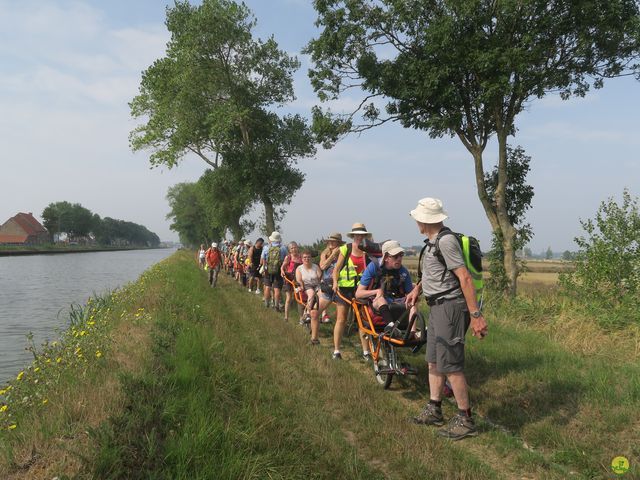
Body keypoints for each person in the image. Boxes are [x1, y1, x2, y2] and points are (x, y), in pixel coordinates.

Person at [405, 197, 488, 440]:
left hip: (450, 308)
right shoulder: (433, 242)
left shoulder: (446, 241)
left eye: (418, 218)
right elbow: (435, 273)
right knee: (433, 361)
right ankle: (435, 408)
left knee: (451, 364)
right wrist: (417, 289)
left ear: (424, 220)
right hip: (437, 307)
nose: (416, 222)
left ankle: (465, 419)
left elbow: (464, 278)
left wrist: (476, 316)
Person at [355, 240, 416, 337]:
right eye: (396, 256)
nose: (399, 259)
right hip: (376, 303)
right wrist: (377, 291)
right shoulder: (373, 267)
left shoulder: (403, 271)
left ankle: (412, 333)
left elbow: (409, 293)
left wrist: (415, 292)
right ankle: (391, 327)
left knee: (412, 303)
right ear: (386, 257)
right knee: (381, 299)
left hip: (396, 300)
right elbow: (358, 294)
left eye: (401, 255)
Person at [331, 223, 374, 360]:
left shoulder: (368, 251)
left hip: (362, 288)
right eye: (357, 234)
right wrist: (335, 282)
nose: (359, 237)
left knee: (363, 320)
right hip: (345, 288)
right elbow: (336, 269)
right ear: (353, 235)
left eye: (362, 235)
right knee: (341, 319)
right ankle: (337, 351)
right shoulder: (345, 249)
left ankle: (366, 352)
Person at [295, 251, 322, 344]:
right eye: (305, 257)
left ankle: (323, 314)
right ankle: (306, 314)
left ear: (311, 258)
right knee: (311, 294)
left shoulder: (315, 266)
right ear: (302, 259)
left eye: (309, 257)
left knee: (321, 295)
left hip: (317, 285)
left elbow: (320, 277)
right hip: (306, 286)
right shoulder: (299, 268)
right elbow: (298, 279)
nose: (307, 259)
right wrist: (301, 286)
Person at [318, 232, 344, 324]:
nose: (331, 243)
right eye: (329, 241)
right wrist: (333, 255)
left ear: (339, 243)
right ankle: (309, 320)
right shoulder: (324, 253)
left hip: (339, 283)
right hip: (327, 283)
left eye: (334, 242)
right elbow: (323, 266)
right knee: (318, 308)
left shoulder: (343, 253)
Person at [261, 231, 288, 311]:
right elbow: (286, 260)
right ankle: (276, 306)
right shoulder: (283, 248)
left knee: (268, 287)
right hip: (278, 270)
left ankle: (266, 303)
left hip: (267, 270)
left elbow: (263, 260)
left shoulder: (266, 247)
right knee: (277, 289)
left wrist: (264, 268)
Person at [281, 242, 303, 322]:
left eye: (295, 247)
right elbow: (283, 266)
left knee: (299, 299)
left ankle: (301, 318)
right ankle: (286, 317)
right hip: (289, 279)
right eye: (292, 248)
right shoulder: (288, 257)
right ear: (289, 250)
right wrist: (282, 271)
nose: (294, 249)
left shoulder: (301, 257)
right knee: (288, 298)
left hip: (298, 280)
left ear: (298, 248)